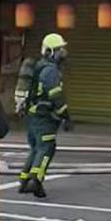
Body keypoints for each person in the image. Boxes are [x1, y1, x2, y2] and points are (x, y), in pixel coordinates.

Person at [17, 32, 71, 198]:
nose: (64, 53)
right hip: (43, 117)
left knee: (35, 148)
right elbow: (55, 94)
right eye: (60, 49)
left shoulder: (39, 66)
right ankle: (36, 180)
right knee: (47, 148)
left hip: (32, 116)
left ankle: (24, 180)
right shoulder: (50, 70)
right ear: (51, 51)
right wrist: (65, 115)